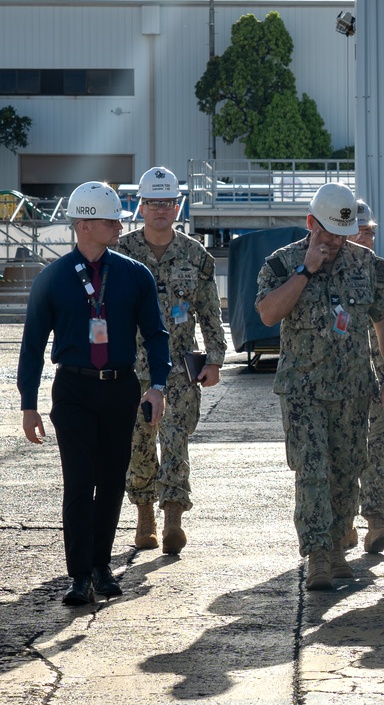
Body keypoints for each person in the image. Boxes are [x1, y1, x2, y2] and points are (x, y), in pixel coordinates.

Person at [17, 181, 169, 605]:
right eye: (109, 219)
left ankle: (103, 566)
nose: (119, 225)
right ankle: (79, 575)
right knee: (79, 482)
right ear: (84, 225)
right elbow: (31, 346)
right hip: (73, 391)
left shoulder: (136, 276)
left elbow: (156, 336)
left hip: (121, 389)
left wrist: (157, 387)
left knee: (111, 481)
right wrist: (28, 404)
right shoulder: (52, 279)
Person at [256, 182, 384, 587]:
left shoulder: (367, 264)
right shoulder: (283, 264)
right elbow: (268, 314)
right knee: (312, 470)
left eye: (342, 234)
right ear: (309, 223)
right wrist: (307, 270)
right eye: (327, 233)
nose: (335, 242)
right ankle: (318, 554)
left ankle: (339, 546)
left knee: (347, 470)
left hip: (354, 390)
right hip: (303, 391)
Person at [117, 166, 227, 555]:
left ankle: (173, 517)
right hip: (130, 369)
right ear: (141, 207)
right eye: (153, 203)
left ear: (177, 207)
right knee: (138, 442)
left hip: (178, 369)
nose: (161, 210)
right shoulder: (121, 253)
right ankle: (144, 512)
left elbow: (211, 313)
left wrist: (214, 359)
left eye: (167, 203)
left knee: (176, 439)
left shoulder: (196, 256)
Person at [343, 198, 384, 554]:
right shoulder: (328, 280)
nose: (366, 239)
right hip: (339, 385)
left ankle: (377, 524)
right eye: (360, 232)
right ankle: (343, 523)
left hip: (379, 384)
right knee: (342, 454)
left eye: (370, 233)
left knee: (375, 451)